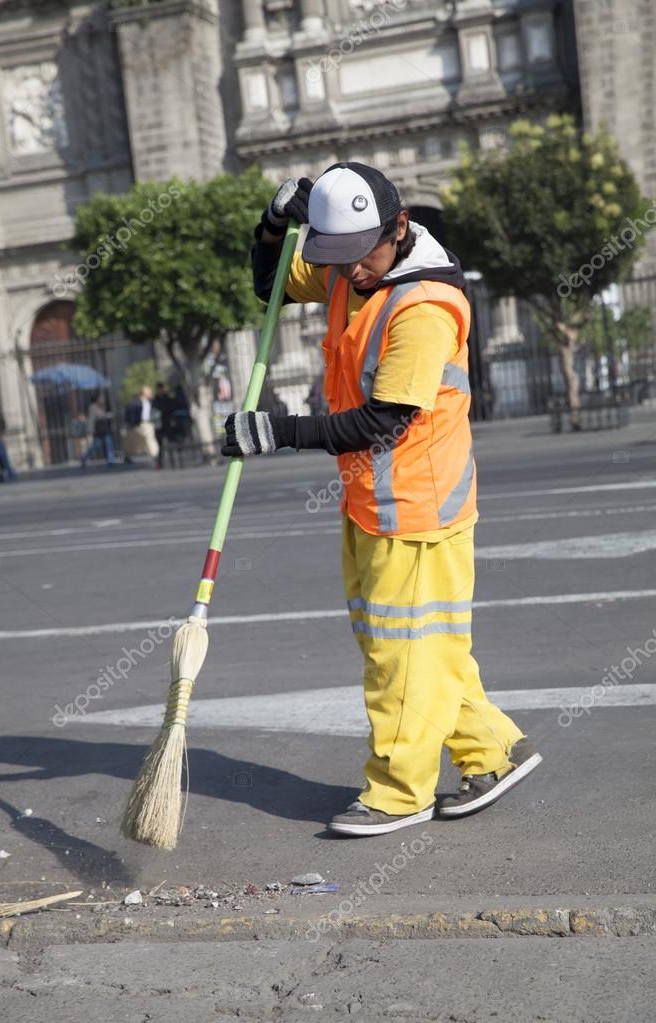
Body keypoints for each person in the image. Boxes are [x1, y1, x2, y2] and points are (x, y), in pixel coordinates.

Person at [222, 163, 541, 837]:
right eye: (337, 258)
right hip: (371, 495)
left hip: (417, 504)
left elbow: (383, 420)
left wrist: (277, 432)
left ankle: (400, 790)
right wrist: (275, 224)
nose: (351, 273)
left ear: (398, 228)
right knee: (420, 644)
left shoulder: (423, 306)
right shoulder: (349, 262)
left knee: (400, 652)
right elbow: (269, 283)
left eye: (361, 256)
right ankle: (491, 750)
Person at [124, 385, 159, 466]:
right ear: (144, 393)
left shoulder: (151, 402)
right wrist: (131, 423)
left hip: (148, 424)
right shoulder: (135, 402)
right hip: (137, 424)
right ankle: (125, 456)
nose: (151, 393)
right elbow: (129, 413)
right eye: (149, 391)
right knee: (131, 442)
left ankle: (155, 455)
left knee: (150, 438)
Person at [80, 393, 115, 468]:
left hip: (105, 430)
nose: (102, 399)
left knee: (109, 445)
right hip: (98, 431)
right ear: (97, 399)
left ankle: (110, 461)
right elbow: (91, 420)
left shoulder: (102, 406)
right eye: (101, 398)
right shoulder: (92, 407)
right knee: (94, 447)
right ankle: (84, 459)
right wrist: (90, 430)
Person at [152, 382, 174, 469]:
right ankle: (160, 463)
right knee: (160, 445)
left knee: (170, 443)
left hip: (167, 424)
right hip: (159, 425)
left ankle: (172, 461)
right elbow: (153, 410)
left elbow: (170, 409)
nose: (160, 391)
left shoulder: (167, 398)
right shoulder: (155, 399)